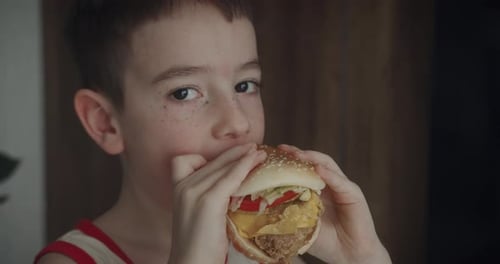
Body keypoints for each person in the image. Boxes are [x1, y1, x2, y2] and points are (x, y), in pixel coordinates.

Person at [35, 0, 391, 263]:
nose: (238, 123)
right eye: (184, 92)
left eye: (245, 85)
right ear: (105, 123)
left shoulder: (265, 247)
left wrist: (365, 259)